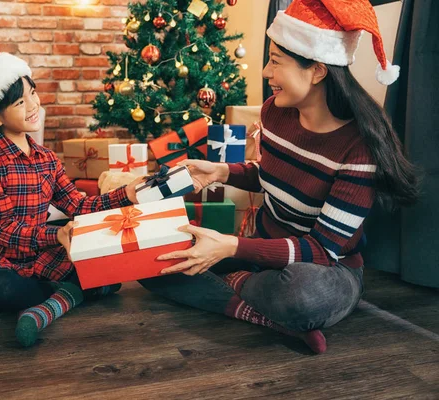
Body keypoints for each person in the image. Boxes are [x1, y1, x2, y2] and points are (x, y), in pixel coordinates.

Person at [140, 0, 419, 354]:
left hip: (323, 270)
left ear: (317, 70)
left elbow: (321, 250)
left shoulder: (359, 148)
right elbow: (273, 176)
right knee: (152, 261)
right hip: (262, 252)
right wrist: (222, 172)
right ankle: (256, 310)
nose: (266, 73)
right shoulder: (275, 112)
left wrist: (231, 247)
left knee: (304, 296)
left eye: (275, 61)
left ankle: (238, 286)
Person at [0, 53, 143, 347]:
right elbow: (2, 229)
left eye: (33, 93)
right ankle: (69, 293)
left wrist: (127, 194)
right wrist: (57, 234)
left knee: (109, 276)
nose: (33, 106)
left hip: (42, 256)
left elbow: (78, 206)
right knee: (0, 289)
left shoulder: (46, 158)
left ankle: (57, 296)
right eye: (20, 103)